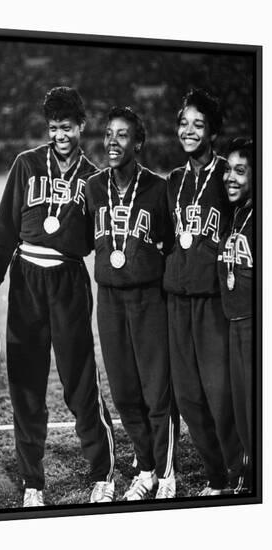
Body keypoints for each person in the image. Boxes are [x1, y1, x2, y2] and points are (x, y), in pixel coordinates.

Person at [0, 86, 115, 507]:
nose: (59, 136)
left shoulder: (93, 178)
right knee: (26, 384)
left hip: (68, 281)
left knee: (80, 381)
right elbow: (4, 227)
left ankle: (102, 473)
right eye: (53, 128)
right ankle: (33, 482)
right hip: (28, 278)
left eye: (66, 128)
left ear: (82, 127)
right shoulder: (26, 164)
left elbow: (98, 241)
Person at [85, 107, 177, 500]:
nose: (112, 142)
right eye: (108, 134)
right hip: (109, 301)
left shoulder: (158, 189)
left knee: (156, 390)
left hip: (148, 299)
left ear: (137, 143)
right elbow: (83, 242)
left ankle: (168, 473)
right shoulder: (92, 188)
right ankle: (146, 468)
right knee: (124, 392)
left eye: (122, 135)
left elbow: (173, 244)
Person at [163, 88, 244, 496]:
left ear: (211, 132)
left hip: (213, 302)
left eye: (198, 125)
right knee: (189, 397)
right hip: (176, 301)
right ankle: (216, 479)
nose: (189, 131)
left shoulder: (225, 178)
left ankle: (240, 474)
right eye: (183, 124)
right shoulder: (174, 180)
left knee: (220, 395)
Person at [217, 138, 254, 493]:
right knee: (243, 414)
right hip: (234, 326)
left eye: (240, 171)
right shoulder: (235, 216)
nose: (230, 177)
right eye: (228, 169)